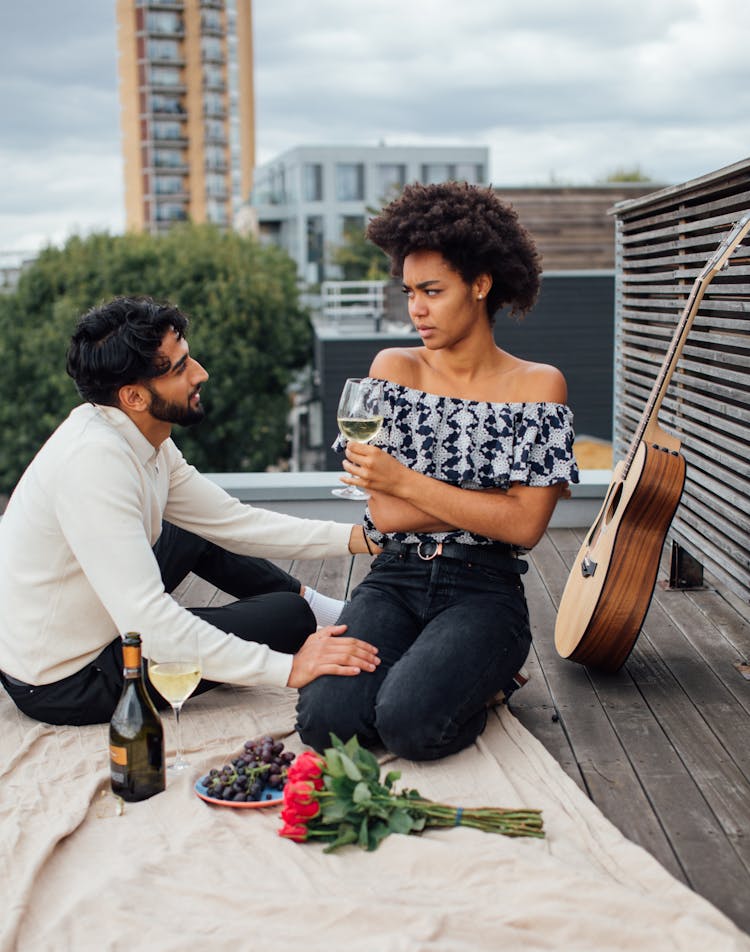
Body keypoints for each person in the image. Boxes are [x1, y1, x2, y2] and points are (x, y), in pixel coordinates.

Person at [297, 181, 579, 761]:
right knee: (326, 722)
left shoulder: (539, 385)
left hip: (485, 590)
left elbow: (525, 529)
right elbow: (385, 514)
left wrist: (403, 479)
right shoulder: (393, 368)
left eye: (432, 290)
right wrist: (491, 502)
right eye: (409, 291)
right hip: (394, 578)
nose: (415, 309)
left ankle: (488, 679)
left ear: (480, 285)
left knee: (409, 725)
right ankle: (438, 667)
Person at [0, 295, 379, 726]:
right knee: (291, 621)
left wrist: (361, 538)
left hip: (94, 617)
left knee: (189, 530)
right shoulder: (94, 464)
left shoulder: (142, 438)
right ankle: (312, 615)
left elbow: (234, 522)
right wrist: (290, 669)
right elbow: (152, 625)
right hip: (64, 679)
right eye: (179, 369)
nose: (201, 373)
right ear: (134, 396)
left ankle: (329, 608)